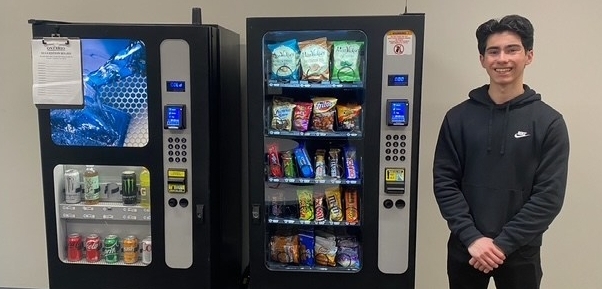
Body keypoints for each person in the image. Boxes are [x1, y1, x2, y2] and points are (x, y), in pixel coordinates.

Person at [432, 14, 570, 289]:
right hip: (467, 250)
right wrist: (473, 239)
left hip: (521, 252)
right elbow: (445, 183)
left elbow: (549, 197)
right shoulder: (457, 118)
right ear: (482, 59)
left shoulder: (549, 122)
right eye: (493, 51)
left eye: (512, 49)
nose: (502, 59)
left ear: (529, 56)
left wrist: (502, 245)